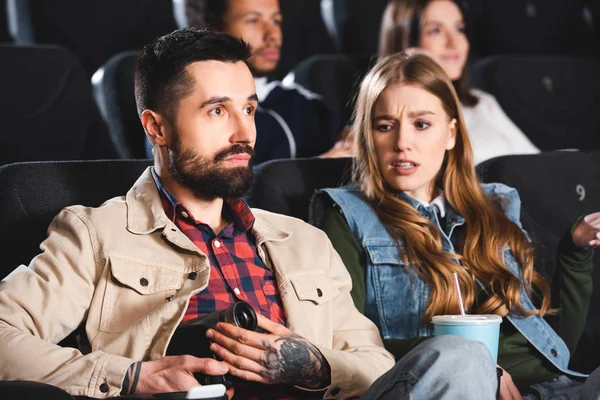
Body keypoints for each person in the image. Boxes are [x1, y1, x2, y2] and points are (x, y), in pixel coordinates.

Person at [0, 29, 499, 399]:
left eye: (250, 109)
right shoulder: (95, 233)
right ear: (157, 127)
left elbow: (374, 365)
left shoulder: (301, 240)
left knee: (462, 359)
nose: (245, 133)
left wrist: (315, 366)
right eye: (217, 111)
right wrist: (129, 377)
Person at [311, 52, 600, 399]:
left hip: (549, 389)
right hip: (446, 385)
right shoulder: (346, 215)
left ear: (450, 134)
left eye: (421, 124)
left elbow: (555, 345)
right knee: (462, 360)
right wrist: (480, 368)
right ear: (368, 136)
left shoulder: (496, 206)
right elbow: (349, 349)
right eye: (384, 126)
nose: (402, 142)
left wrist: (576, 252)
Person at [181, 0, 353, 164]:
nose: (272, 34)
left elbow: (350, 141)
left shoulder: (304, 104)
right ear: (213, 30)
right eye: (253, 20)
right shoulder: (197, 116)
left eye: (275, 20)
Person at [378, 0, 539, 165]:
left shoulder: (481, 102)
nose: (453, 43)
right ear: (407, 45)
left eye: (459, 29)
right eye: (435, 31)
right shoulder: (387, 119)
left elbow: (539, 163)